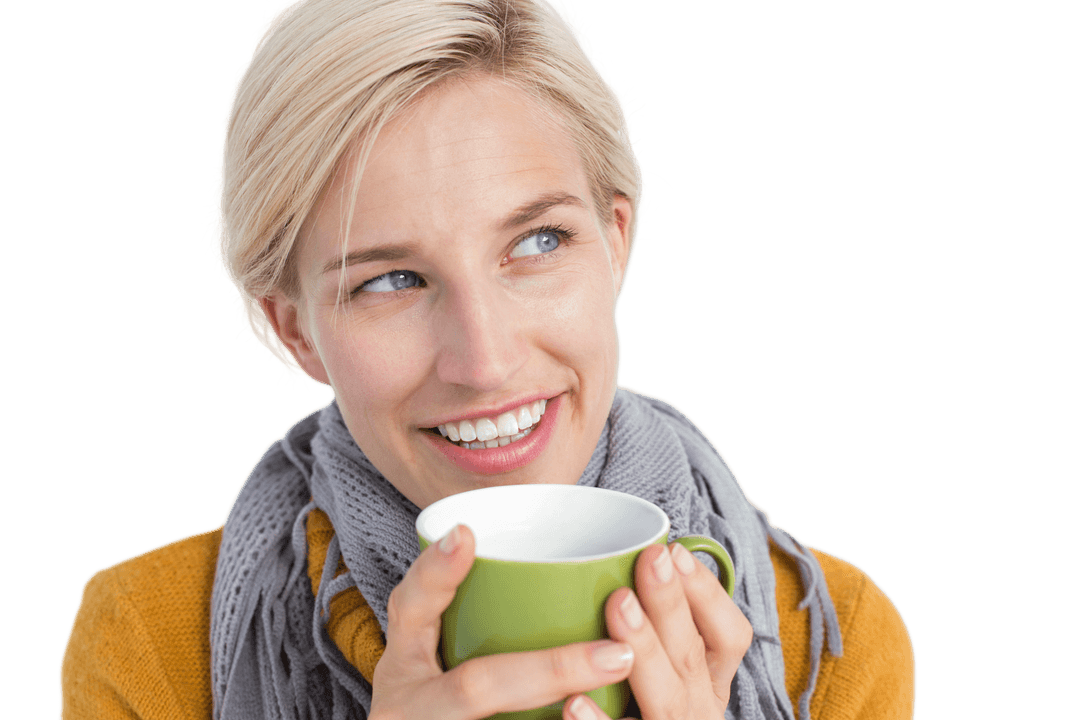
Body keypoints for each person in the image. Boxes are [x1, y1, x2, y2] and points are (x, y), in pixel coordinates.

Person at [59, 1, 915, 718]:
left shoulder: (830, 642)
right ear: (295, 333)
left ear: (616, 242)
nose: (486, 359)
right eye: (390, 279)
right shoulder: (150, 643)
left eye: (539, 242)